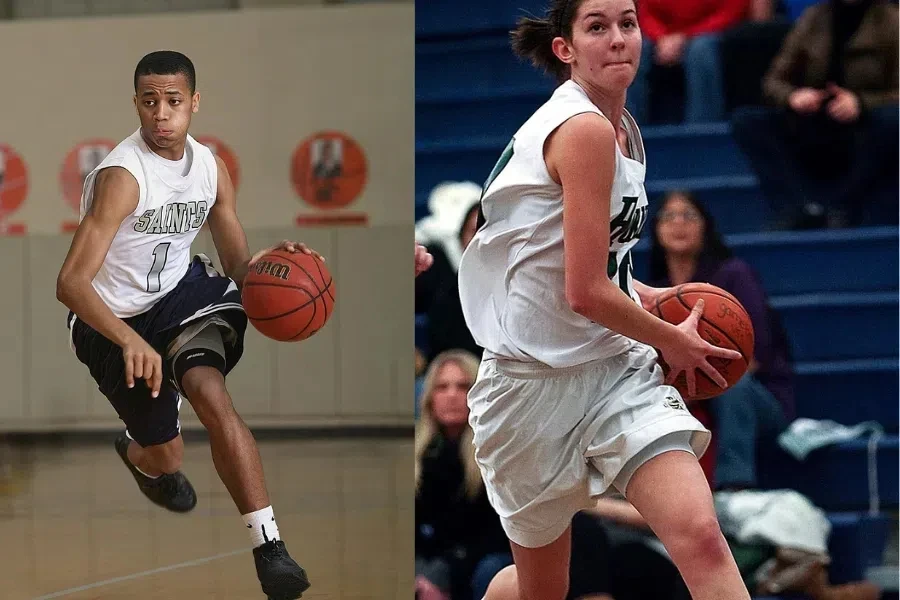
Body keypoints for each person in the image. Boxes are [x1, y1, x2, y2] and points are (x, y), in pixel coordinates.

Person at [457, 2, 751, 599]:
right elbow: (584, 291)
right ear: (565, 49)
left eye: (628, 24)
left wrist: (651, 294)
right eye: (598, 27)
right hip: (528, 388)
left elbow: (593, 268)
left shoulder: (624, 130)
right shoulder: (583, 129)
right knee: (542, 591)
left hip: (615, 370)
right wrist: (672, 337)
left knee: (701, 538)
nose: (618, 39)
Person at [56, 51, 314, 600]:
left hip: (180, 295)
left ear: (194, 103)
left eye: (173, 101)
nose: (161, 114)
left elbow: (240, 267)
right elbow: (71, 283)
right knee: (165, 453)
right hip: (109, 319)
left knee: (210, 395)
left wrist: (274, 267)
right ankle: (136, 452)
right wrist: (129, 340)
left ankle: (270, 548)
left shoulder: (210, 168)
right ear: (136, 105)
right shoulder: (123, 179)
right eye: (150, 101)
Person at [647, 190, 795, 490]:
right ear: (656, 228)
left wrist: (693, 388)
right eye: (669, 216)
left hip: (757, 396)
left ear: (705, 225)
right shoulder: (654, 291)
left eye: (689, 215)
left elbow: (752, 358)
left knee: (733, 384)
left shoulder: (733, 275)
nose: (679, 224)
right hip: (683, 392)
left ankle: (733, 488)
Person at [731, 0, 899, 229]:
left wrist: (860, 103)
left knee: (893, 121)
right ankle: (799, 207)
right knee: (746, 122)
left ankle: (844, 206)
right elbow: (773, 81)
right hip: (814, 117)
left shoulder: (892, 21)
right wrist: (793, 96)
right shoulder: (814, 18)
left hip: (865, 125)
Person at [415, 350, 512, 600]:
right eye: (442, 387)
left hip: (482, 559)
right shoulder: (417, 455)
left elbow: (498, 535)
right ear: (429, 397)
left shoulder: (498, 451)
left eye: (462, 386)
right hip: (430, 563)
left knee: (490, 570)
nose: (451, 395)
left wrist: (447, 576)